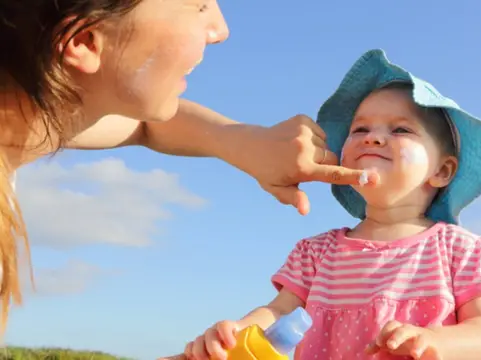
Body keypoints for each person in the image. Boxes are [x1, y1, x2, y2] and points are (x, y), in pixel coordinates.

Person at [0, 0, 378, 331]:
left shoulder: (23, 121)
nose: (220, 29)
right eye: (197, 4)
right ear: (84, 41)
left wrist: (243, 142)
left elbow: (145, 127)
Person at [177, 50, 481, 360]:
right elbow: (279, 313)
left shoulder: (461, 250)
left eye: (400, 129)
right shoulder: (316, 253)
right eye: (360, 128)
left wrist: (436, 341)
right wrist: (236, 332)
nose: (372, 137)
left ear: (442, 171)